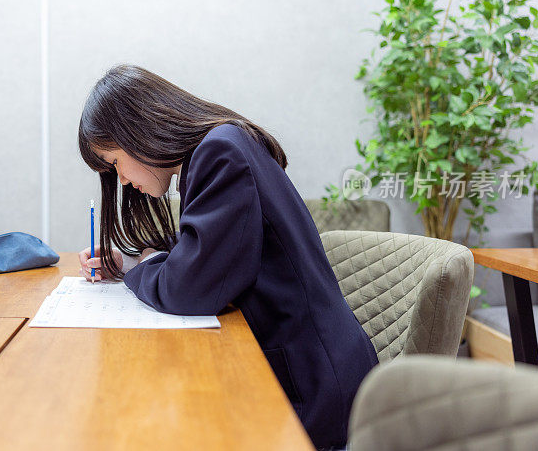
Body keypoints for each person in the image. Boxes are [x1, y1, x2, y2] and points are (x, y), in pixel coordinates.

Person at [77, 64, 378, 449]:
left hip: (312, 396)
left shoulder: (219, 154)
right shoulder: (224, 145)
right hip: (308, 373)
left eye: (115, 161)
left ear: (137, 130)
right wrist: (129, 260)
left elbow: (190, 289)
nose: (121, 180)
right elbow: (203, 256)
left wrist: (140, 264)